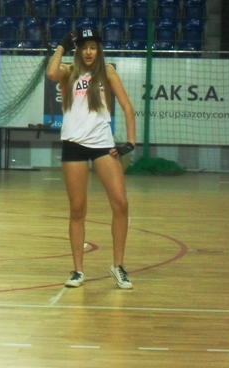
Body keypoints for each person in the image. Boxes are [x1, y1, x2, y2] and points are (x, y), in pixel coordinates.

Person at [46, 27, 137, 289]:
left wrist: (130, 142)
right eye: (84, 47)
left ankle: (118, 266)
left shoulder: (107, 72)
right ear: (78, 50)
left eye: (93, 47)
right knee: (77, 209)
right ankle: (77, 270)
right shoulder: (68, 71)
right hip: (73, 145)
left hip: (102, 145)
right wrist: (62, 45)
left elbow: (127, 107)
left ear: (99, 49)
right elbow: (51, 73)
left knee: (121, 204)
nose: (88, 52)